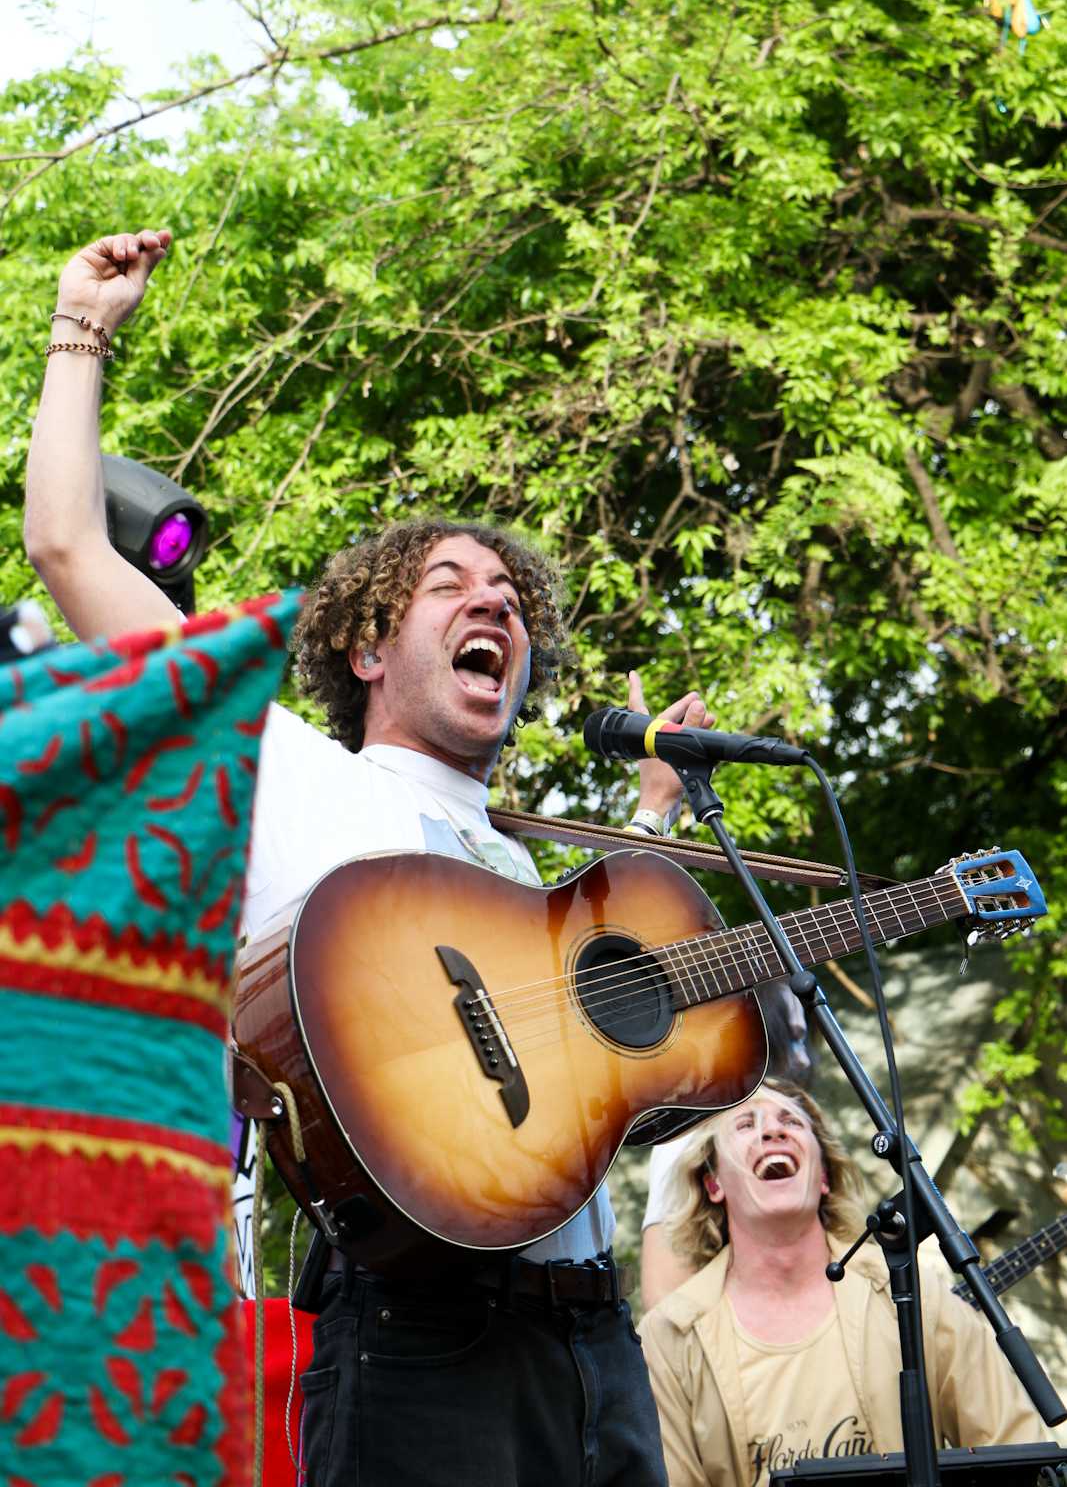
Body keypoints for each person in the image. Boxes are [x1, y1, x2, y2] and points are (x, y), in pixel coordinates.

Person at [23, 228, 718, 1486]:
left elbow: (606, 1036)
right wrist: (81, 330)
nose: (493, 602)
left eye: (508, 594)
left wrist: (655, 816)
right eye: (450, 585)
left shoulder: (527, 867)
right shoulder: (299, 775)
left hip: (592, 1342)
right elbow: (73, 552)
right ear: (362, 649)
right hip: (420, 1343)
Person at [637, 1079, 1054, 1487]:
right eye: (746, 1125)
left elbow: (1017, 1451)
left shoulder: (908, 1290)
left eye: (792, 1122)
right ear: (713, 1183)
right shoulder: (669, 1337)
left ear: (823, 1175)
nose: (773, 1129)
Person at [641, 983, 813, 1312]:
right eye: (793, 1036)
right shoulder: (692, 1134)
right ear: (759, 1033)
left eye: (804, 1039)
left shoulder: (798, 1134)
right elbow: (663, 1293)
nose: (804, 1059)